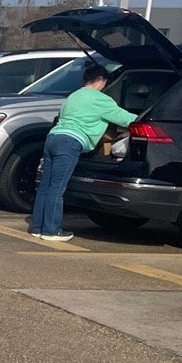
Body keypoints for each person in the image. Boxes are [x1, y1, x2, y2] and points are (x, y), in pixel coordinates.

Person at [29, 62, 135, 241]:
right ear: (100, 80)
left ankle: (37, 227)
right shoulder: (100, 99)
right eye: (105, 82)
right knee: (58, 187)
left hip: (52, 138)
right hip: (71, 142)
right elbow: (125, 119)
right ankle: (51, 230)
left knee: (45, 186)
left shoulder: (73, 96)